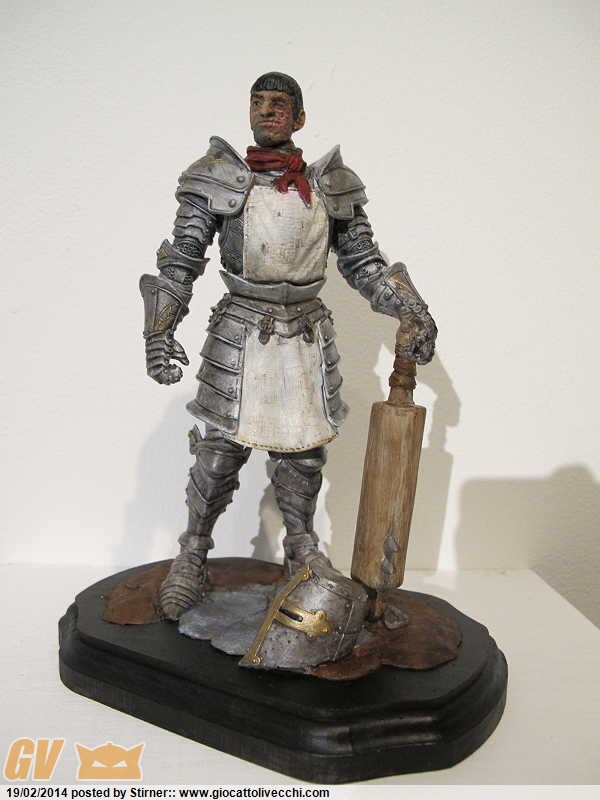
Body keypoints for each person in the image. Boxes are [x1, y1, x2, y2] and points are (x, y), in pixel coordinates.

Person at [140, 72, 437, 621]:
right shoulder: (217, 177)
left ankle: (300, 548)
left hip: (304, 330)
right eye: (258, 102)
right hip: (240, 327)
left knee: (302, 453)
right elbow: (181, 259)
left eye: (279, 104)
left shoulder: (330, 184)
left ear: (300, 118)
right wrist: (160, 332)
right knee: (219, 450)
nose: (267, 111)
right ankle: (193, 553)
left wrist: (410, 308)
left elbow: (363, 263)